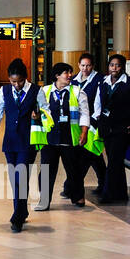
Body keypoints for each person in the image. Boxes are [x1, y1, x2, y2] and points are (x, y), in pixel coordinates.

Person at [0, 58, 39, 233]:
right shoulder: (4, 91)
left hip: (28, 141)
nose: (16, 85)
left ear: (26, 77)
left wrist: (38, 115)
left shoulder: (36, 91)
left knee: (20, 177)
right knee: (15, 177)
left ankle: (17, 217)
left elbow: (46, 111)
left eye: (20, 81)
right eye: (13, 81)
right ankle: (22, 211)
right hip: (10, 141)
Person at [32, 62, 93, 210]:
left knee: (74, 170)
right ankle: (44, 200)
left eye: (70, 72)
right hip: (50, 138)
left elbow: (84, 114)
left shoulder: (78, 92)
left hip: (69, 138)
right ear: (57, 76)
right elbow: (37, 110)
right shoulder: (44, 91)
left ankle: (78, 196)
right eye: (66, 72)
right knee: (46, 170)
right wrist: (35, 114)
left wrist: (84, 132)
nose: (69, 75)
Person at [92, 53, 130, 204]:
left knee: (114, 161)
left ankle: (108, 194)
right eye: (112, 65)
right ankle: (120, 193)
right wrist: (98, 116)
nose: (114, 68)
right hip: (106, 127)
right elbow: (97, 102)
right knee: (114, 160)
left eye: (117, 65)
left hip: (123, 128)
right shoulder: (103, 82)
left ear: (122, 67)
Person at [64, 53, 107, 201]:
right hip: (78, 123)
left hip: (93, 123)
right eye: (82, 65)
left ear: (92, 66)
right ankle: (103, 183)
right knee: (94, 156)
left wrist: (93, 122)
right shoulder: (74, 80)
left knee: (87, 156)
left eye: (88, 65)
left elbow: (100, 104)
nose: (85, 68)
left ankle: (70, 186)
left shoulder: (100, 80)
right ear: (78, 65)